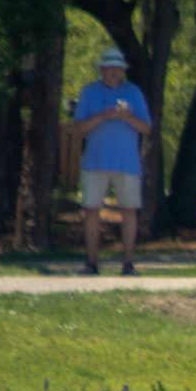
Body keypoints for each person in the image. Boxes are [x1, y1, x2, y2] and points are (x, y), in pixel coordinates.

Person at [73, 48, 152, 276]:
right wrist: (103, 116)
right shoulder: (89, 92)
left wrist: (127, 117)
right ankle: (91, 263)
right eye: (110, 67)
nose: (114, 71)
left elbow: (146, 128)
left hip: (126, 162)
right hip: (95, 161)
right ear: (102, 69)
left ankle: (127, 264)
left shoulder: (133, 92)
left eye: (118, 67)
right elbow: (78, 127)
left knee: (129, 211)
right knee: (91, 210)